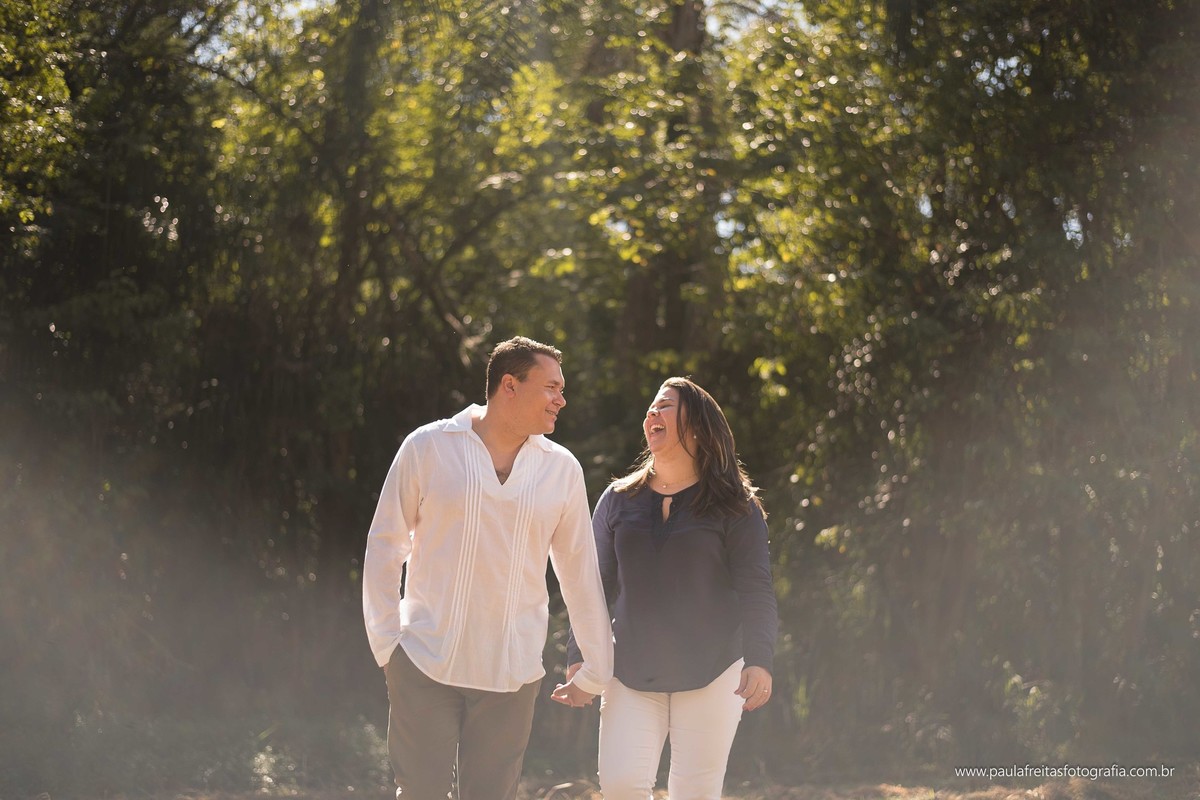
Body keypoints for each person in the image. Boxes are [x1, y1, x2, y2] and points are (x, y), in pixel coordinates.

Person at [363, 336, 614, 800]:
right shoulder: (429, 446)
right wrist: (386, 644)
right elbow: (385, 545)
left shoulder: (562, 470)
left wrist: (597, 667)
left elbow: (579, 573)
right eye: (552, 387)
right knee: (420, 793)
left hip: (511, 672)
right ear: (509, 386)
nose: (562, 400)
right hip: (424, 661)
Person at [564, 377, 779, 800]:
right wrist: (580, 657)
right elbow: (592, 588)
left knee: (695, 793)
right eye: (650, 407)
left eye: (663, 406)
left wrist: (760, 659)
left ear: (696, 425)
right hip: (628, 671)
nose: (651, 413)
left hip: (714, 673)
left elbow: (756, 588)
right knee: (621, 785)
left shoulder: (735, 503)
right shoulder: (616, 499)